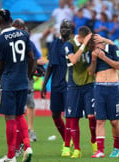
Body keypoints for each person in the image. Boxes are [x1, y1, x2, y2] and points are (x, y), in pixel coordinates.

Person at [0, 9, 35, 162]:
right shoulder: (24, 34)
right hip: (23, 81)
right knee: (20, 115)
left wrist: (1, 79)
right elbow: (31, 58)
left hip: (9, 82)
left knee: (10, 118)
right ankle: (28, 146)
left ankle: (11, 156)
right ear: (11, 20)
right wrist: (28, 75)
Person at [62, 26, 98, 158]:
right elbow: (73, 60)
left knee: (91, 116)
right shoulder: (69, 45)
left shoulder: (90, 45)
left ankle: (94, 142)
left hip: (88, 85)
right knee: (73, 118)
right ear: (82, 38)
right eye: (87, 40)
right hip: (73, 86)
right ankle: (77, 149)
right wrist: (83, 46)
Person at [12, 18, 46, 143]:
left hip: (26, 78)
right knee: (18, 105)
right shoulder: (10, 44)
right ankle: (18, 131)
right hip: (16, 77)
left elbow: (40, 59)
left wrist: (36, 64)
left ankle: (30, 130)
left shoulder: (29, 44)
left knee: (29, 103)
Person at [89, 35, 119, 158]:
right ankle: (100, 150)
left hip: (113, 88)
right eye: (94, 44)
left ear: (103, 41)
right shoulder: (92, 53)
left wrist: (104, 58)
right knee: (100, 120)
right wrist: (93, 59)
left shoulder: (113, 48)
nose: (97, 46)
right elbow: (91, 72)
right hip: (99, 88)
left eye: (98, 42)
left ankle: (116, 147)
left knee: (114, 121)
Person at [41, 20, 70, 155]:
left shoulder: (74, 45)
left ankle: (70, 145)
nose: (64, 29)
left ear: (70, 30)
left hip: (70, 85)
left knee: (70, 116)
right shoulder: (54, 44)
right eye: (62, 27)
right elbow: (50, 66)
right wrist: (44, 84)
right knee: (55, 114)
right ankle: (66, 139)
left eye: (67, 28)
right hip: (56, 85)